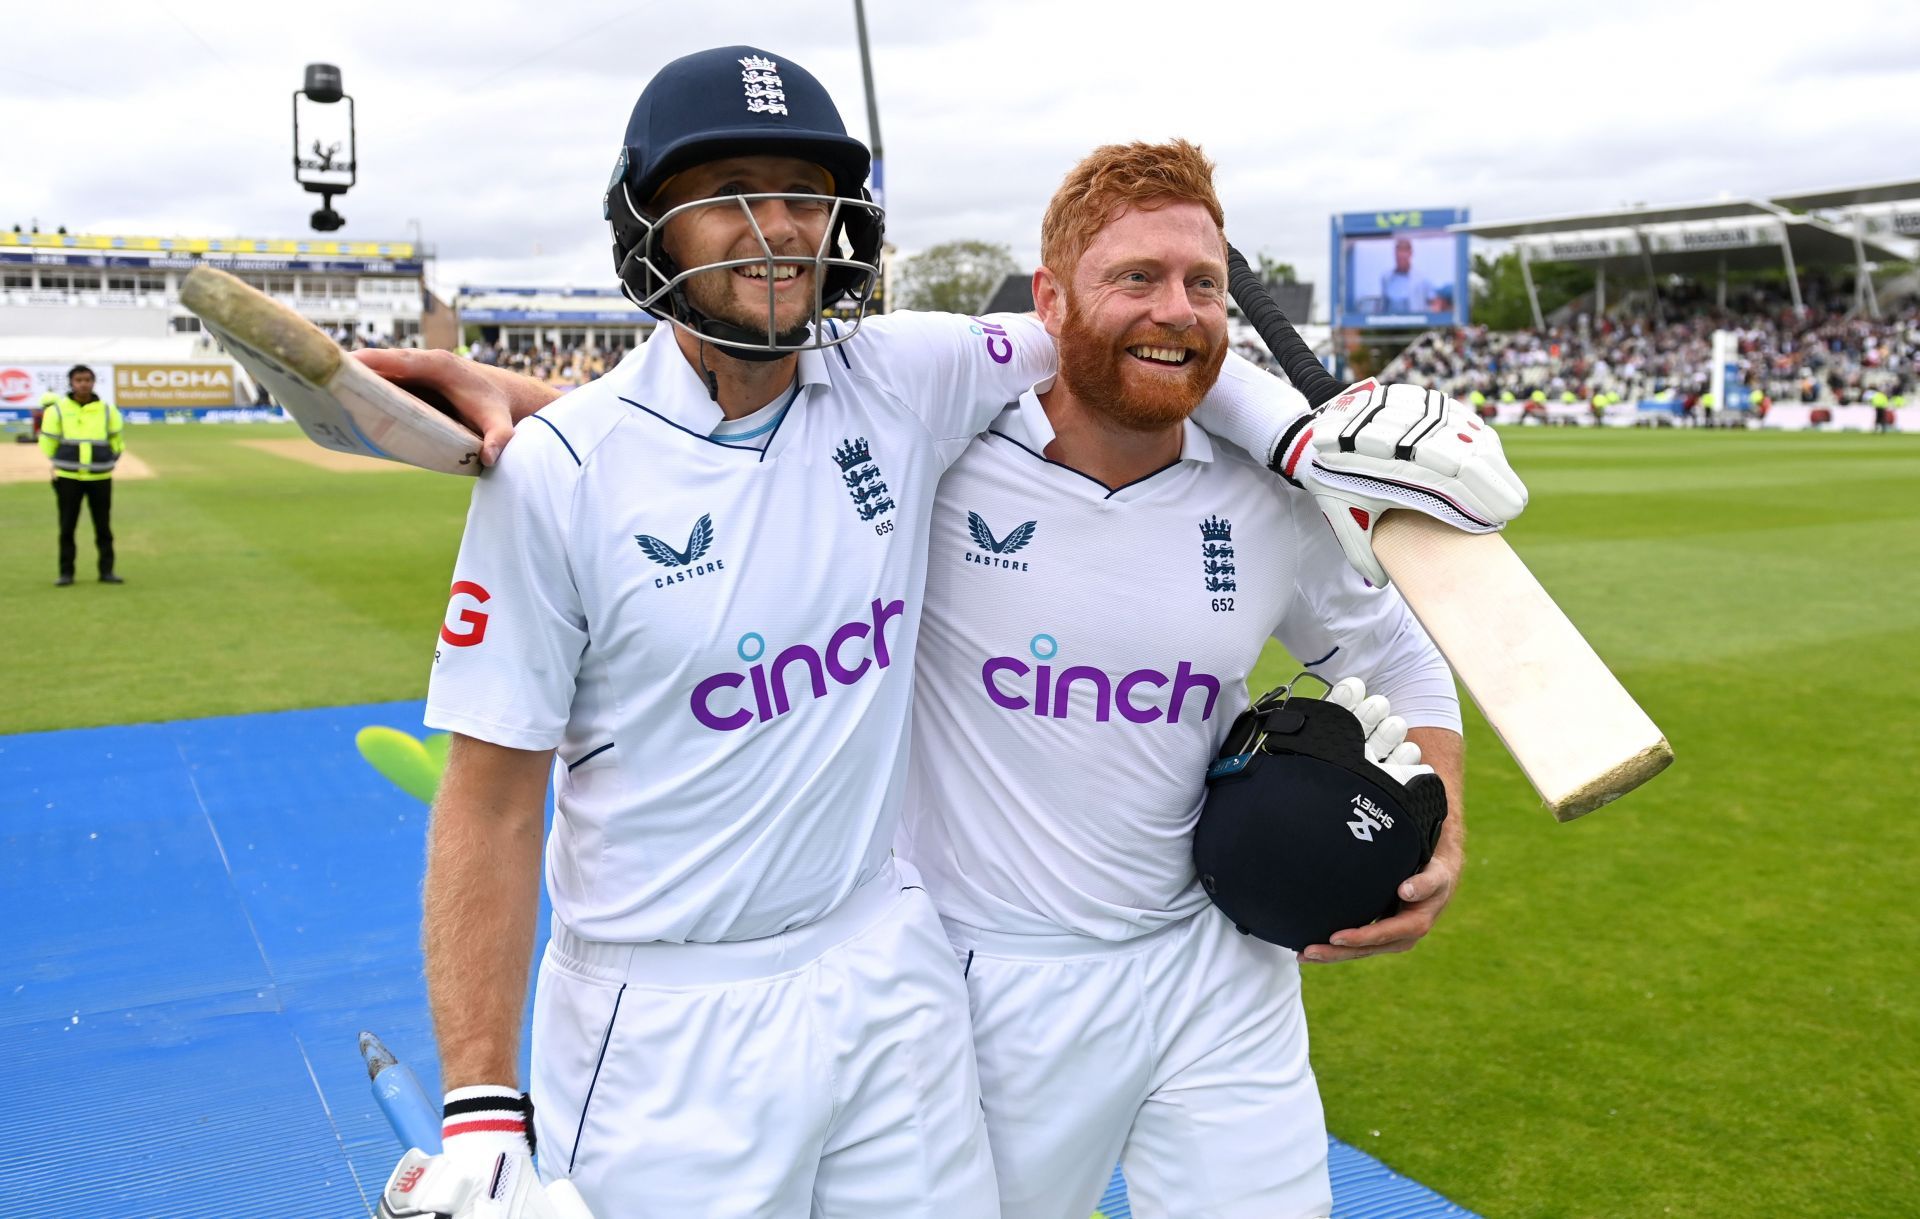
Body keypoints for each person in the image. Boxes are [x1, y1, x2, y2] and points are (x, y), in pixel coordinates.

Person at [364, 46, 1523, 1219]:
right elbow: (496, 795)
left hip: (914, 968)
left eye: (804, 199)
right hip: (702, 1005)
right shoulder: (589, 473)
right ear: (649, 222)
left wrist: (1298, 441)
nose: (775, 229)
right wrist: (482, 1112)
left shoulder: (900, 383)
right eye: (728, 195)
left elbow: (1146, 347)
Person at [899, 140, 1467, 1219]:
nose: (1180, 309)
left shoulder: (1270, 497)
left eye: (1203, 283)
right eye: (1138, 278)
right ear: (1050, 300)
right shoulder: (937, 458)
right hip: (990, 978)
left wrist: (1441, 828)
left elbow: (1396, 651)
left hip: (1220, 964)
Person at [39, 364, 124, 586]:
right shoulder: (57, 410)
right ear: (71, 383)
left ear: (94, 382)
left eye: (87, 379)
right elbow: (47, 441)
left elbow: (117, 440)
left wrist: (108, 459)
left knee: (103, 527)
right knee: (67, 527)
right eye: (79, 380)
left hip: (99, 478)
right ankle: (66, 573)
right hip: (68, 477)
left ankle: (107, 571)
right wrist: (60, 460)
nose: (83, 384)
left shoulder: (107, 409)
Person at [1378, 236, 1436, 314]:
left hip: (1415, 324)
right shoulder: (1386, 278)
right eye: (1399, 252)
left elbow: (1433, 303)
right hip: (1390, 323)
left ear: (1410, 253)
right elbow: (1383, 305)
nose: (1401, 255)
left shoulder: (1422, 279)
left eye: (1404, 251)